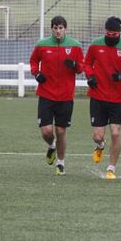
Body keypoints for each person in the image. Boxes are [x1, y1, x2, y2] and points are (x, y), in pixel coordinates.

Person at [84, 16, 121, 180]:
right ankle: (100, 146)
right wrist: (90, 76)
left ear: (119, 34)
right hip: (97, 96)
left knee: (115, 133)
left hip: (117, 99)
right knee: (98, 136)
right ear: (105, 31)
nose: (111, 37)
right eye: (109, 33)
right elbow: (87, 64)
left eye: (115, 34)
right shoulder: (95, 45)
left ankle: (111, 168)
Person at [29, 15, 84, 175]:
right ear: (51, 29)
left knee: (61, 131)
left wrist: (74, 65)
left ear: (65, 29)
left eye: (61, 28)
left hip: (66, 96)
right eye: (55, 28)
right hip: (46, 94)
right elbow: (33, 61)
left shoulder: (75, 46)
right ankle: (52, 145)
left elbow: (82, 67)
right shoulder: (42, 45)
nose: (58, 31)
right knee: (46, 131)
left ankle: (60, 163)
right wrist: (36, 73)